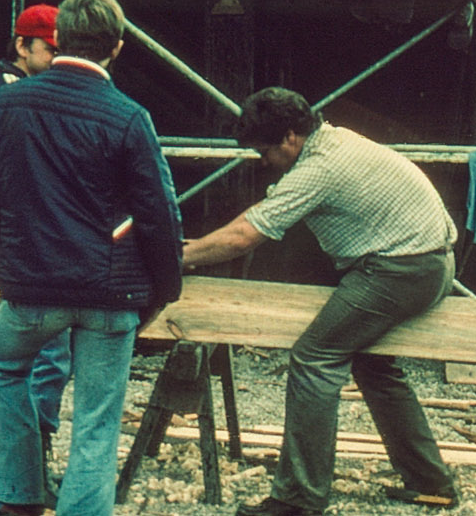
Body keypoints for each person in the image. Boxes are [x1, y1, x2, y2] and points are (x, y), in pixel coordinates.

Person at [181, 88, 458, 516]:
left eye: (265, 151)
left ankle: (298, 500)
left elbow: (244, 235)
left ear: (290, 137)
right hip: (432, 263)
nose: (264, 161)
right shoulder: (336, 139)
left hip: (402, 270)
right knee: (371, 361)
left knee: (314, 357)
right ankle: (430, 482)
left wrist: (179, 257)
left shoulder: (319, 168)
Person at [0, 0, 183, 516]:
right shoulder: (129, 116)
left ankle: (17, 492)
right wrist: (163, 290)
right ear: (118, 46)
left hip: (33, 288)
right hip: (110, 292)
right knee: (97, 420)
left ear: (58, 38)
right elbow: (159, 214)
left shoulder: (7, 102)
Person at [0, 4, 72, 471]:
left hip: (34, 246)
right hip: (31, 248)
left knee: (40, 354)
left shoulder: (23, 90)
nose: (55, 57)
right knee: (43, 355)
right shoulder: (6, 96)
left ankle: (23, 456)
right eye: (49, 49)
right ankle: (29, 458)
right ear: (21, 46)